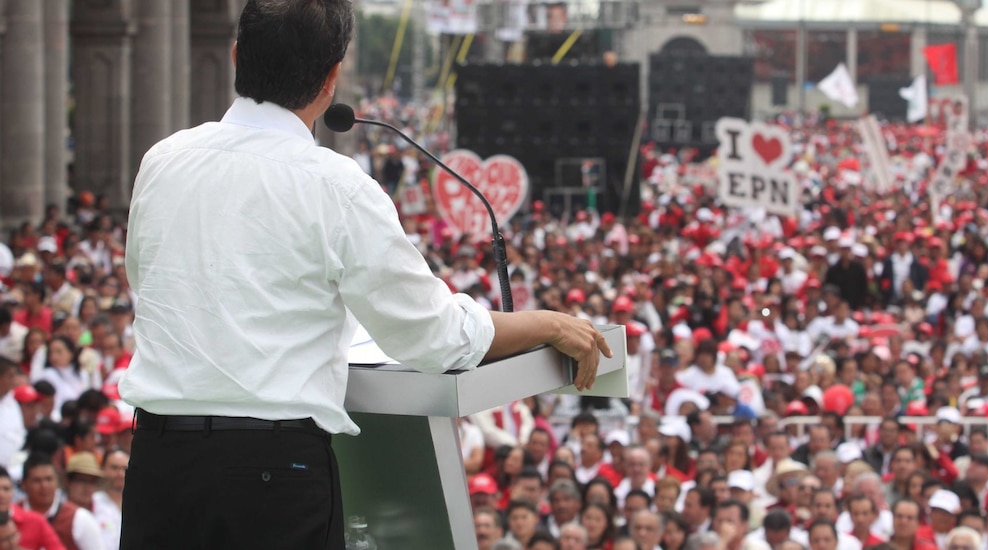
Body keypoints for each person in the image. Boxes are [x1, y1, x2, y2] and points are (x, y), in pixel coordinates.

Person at [117, 2, 611, 549]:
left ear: (237, 56)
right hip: (270, 474)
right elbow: (434, 338)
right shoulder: (334, 183)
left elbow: (147, 279)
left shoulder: (163, 159)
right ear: (332, 79)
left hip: (158, 461)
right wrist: (542, 323)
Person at [21, 454, 104, 550]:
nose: (44, 486)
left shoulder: (80, 518)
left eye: (49, 479)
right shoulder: (13, 514)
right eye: (37, 480)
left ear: (57, 481)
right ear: (23, 484)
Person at [92, 450, 127, 550]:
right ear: (103, 469)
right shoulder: (93, 502)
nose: (120, 474)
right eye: (114, 468)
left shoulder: (139, 505)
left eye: (125, 468)